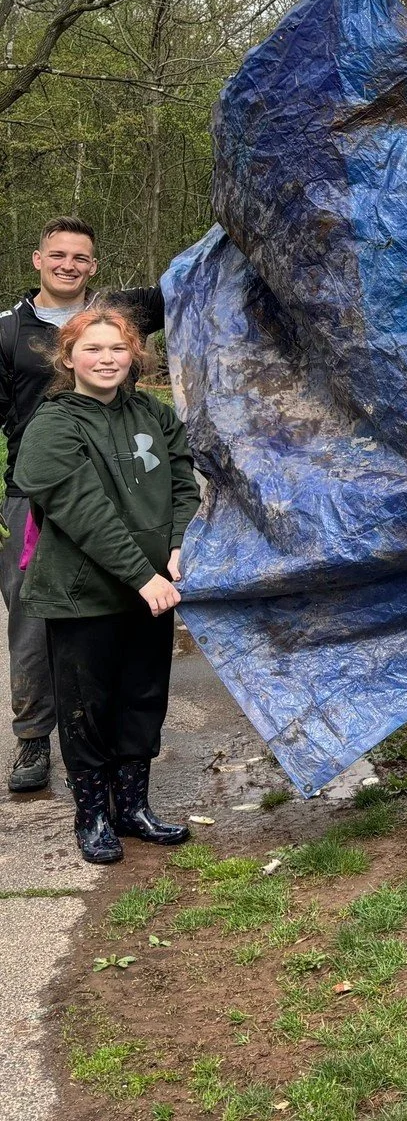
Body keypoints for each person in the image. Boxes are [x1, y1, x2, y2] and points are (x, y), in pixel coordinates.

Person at [13, 309, 200, 863]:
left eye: (118, 348)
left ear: (134, 356)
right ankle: (92, 815)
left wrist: (179, 541)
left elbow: (184, 479)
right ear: (68, 358)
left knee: (142, 698)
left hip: (153, 590)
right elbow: (83, 510)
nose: (107, 358)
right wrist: (141, 575)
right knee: (86, 707)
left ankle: (133, 807)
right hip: (82, 594)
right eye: (92, 348)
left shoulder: (154, 415)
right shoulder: (51, 425)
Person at [2, 217, 165, 793]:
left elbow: (182, 287)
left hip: (122, 482)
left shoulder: (114, 313)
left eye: (81, 257)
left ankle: (116, 756)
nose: (69, 264)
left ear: (93, 265)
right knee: (34, 617)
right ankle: (32, 739)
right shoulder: (7, 331)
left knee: (117, 612)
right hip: (37, 492)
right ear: (37, 259)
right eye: (58, 255)